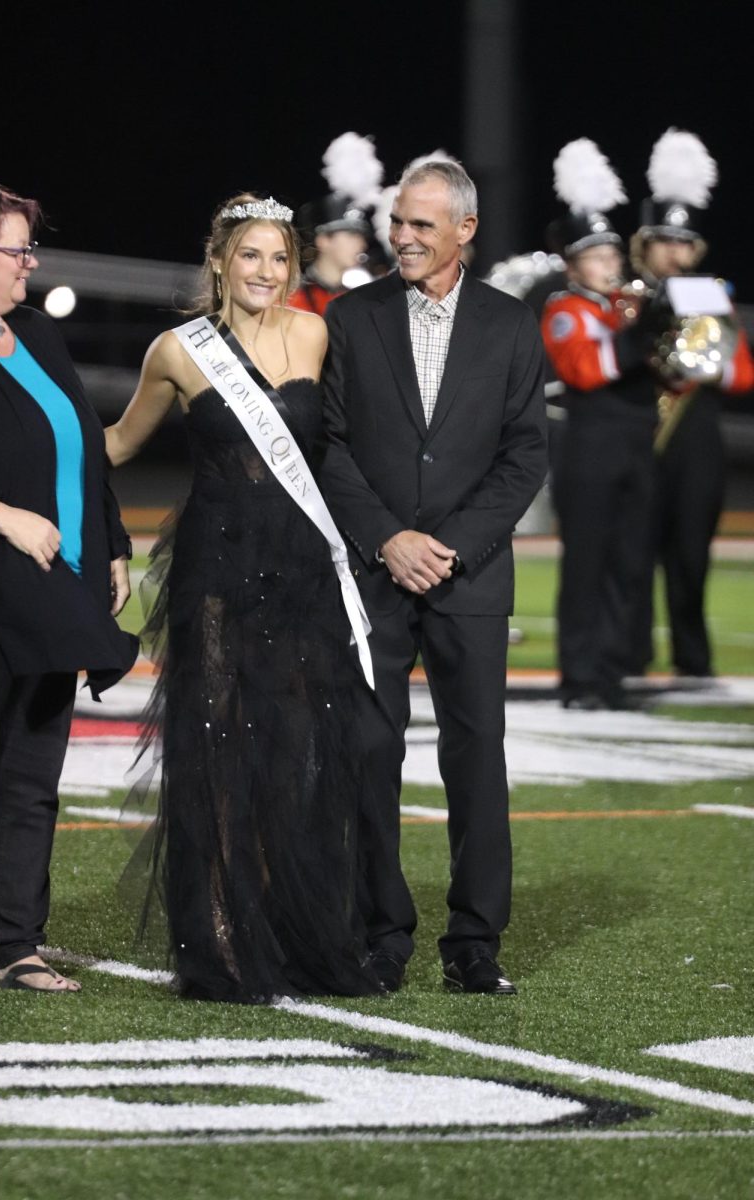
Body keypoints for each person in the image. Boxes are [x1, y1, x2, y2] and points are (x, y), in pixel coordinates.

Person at [104, 193, 382, 1004]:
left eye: (280, 258)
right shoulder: (178, 350)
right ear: (220, 260)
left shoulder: (314, 332)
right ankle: (223, 937)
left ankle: (293, 932)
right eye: (251, 256)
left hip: (302, 571)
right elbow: (115, 445)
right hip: (217, 574)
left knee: (299, 752)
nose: (267, 272)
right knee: (220, 754)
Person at [321, 159, 547, 995]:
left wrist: (445, 546)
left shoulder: (512, 324)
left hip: (469, 578)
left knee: (476, 757)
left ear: (466, 230)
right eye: (400, 223)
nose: (404, 237)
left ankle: (475, 942)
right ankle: (382, 934)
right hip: (375, 575)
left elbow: (526, 454)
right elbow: (328, 445)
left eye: (423, 224)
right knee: (370, 752)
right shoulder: (350, 317)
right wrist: (388, 539)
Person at [0, 175, 137, 996]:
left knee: (30, 783)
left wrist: (115, 547)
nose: (30, 261)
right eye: (16, 247)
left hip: (55, 596)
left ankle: (17, 941)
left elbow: (87, 450)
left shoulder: (32, 332)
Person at [626, 129, 754, 678]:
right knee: (629, 557)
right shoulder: (627, 295)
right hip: (634, 436)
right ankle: (628, 660)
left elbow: (742, 375)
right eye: (664, 242)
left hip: (694, 436)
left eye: (684, 243)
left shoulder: (708, 295)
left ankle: (693, 664)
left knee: (691, 558)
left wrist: (703, 362)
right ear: (645, 246)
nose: (675, 253)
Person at [541, 140, 658, 710]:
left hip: (638, 444)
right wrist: (642, 336)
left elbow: (673, 378)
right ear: (573, 264)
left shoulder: (624, 310)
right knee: (588, 563)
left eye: (613, 253)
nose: (611, 263)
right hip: (589, 448)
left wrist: (665, 342)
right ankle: (580, 676)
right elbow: (589, 370)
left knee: (629, 562)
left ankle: (611, 674)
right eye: (596, 255)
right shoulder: (566, 311)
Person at [291, 132, 381, 315]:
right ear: (323, 240)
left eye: (361, 236)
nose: (361, 244)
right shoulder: (291, 299)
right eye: (351, 235)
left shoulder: (360, 300)